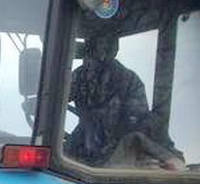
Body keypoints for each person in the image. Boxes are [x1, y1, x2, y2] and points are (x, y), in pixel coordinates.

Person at [65, 34, 185, 169]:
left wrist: (167, 153)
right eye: (97, 45)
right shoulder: (78, 77)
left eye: (106, 45)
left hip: (116, 154)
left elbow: (139, 121)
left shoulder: (127, 80)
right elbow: (55, 100)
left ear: (114, 48)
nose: (101, 52)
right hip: (83, 149)